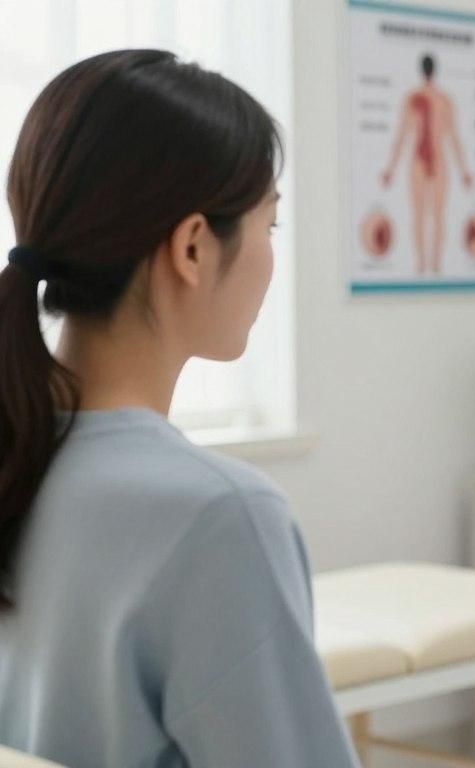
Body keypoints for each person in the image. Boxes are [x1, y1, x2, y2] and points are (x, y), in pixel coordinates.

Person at [0, 50, 358, 766]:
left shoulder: (19, 455)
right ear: (193, 247)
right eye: (270, 226)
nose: (269, 257)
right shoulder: (218, 515)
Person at [381, 53, 474, 275]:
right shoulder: (434, 99)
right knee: (429, 215)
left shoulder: (430, 99)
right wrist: (464, 172)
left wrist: (390, 170)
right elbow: (453, 138)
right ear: (435, 70)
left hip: (429, 161)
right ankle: (428, 264)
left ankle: (430, 264)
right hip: (425, 160)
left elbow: (402, 137)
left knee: (426, 215)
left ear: (421, 70)